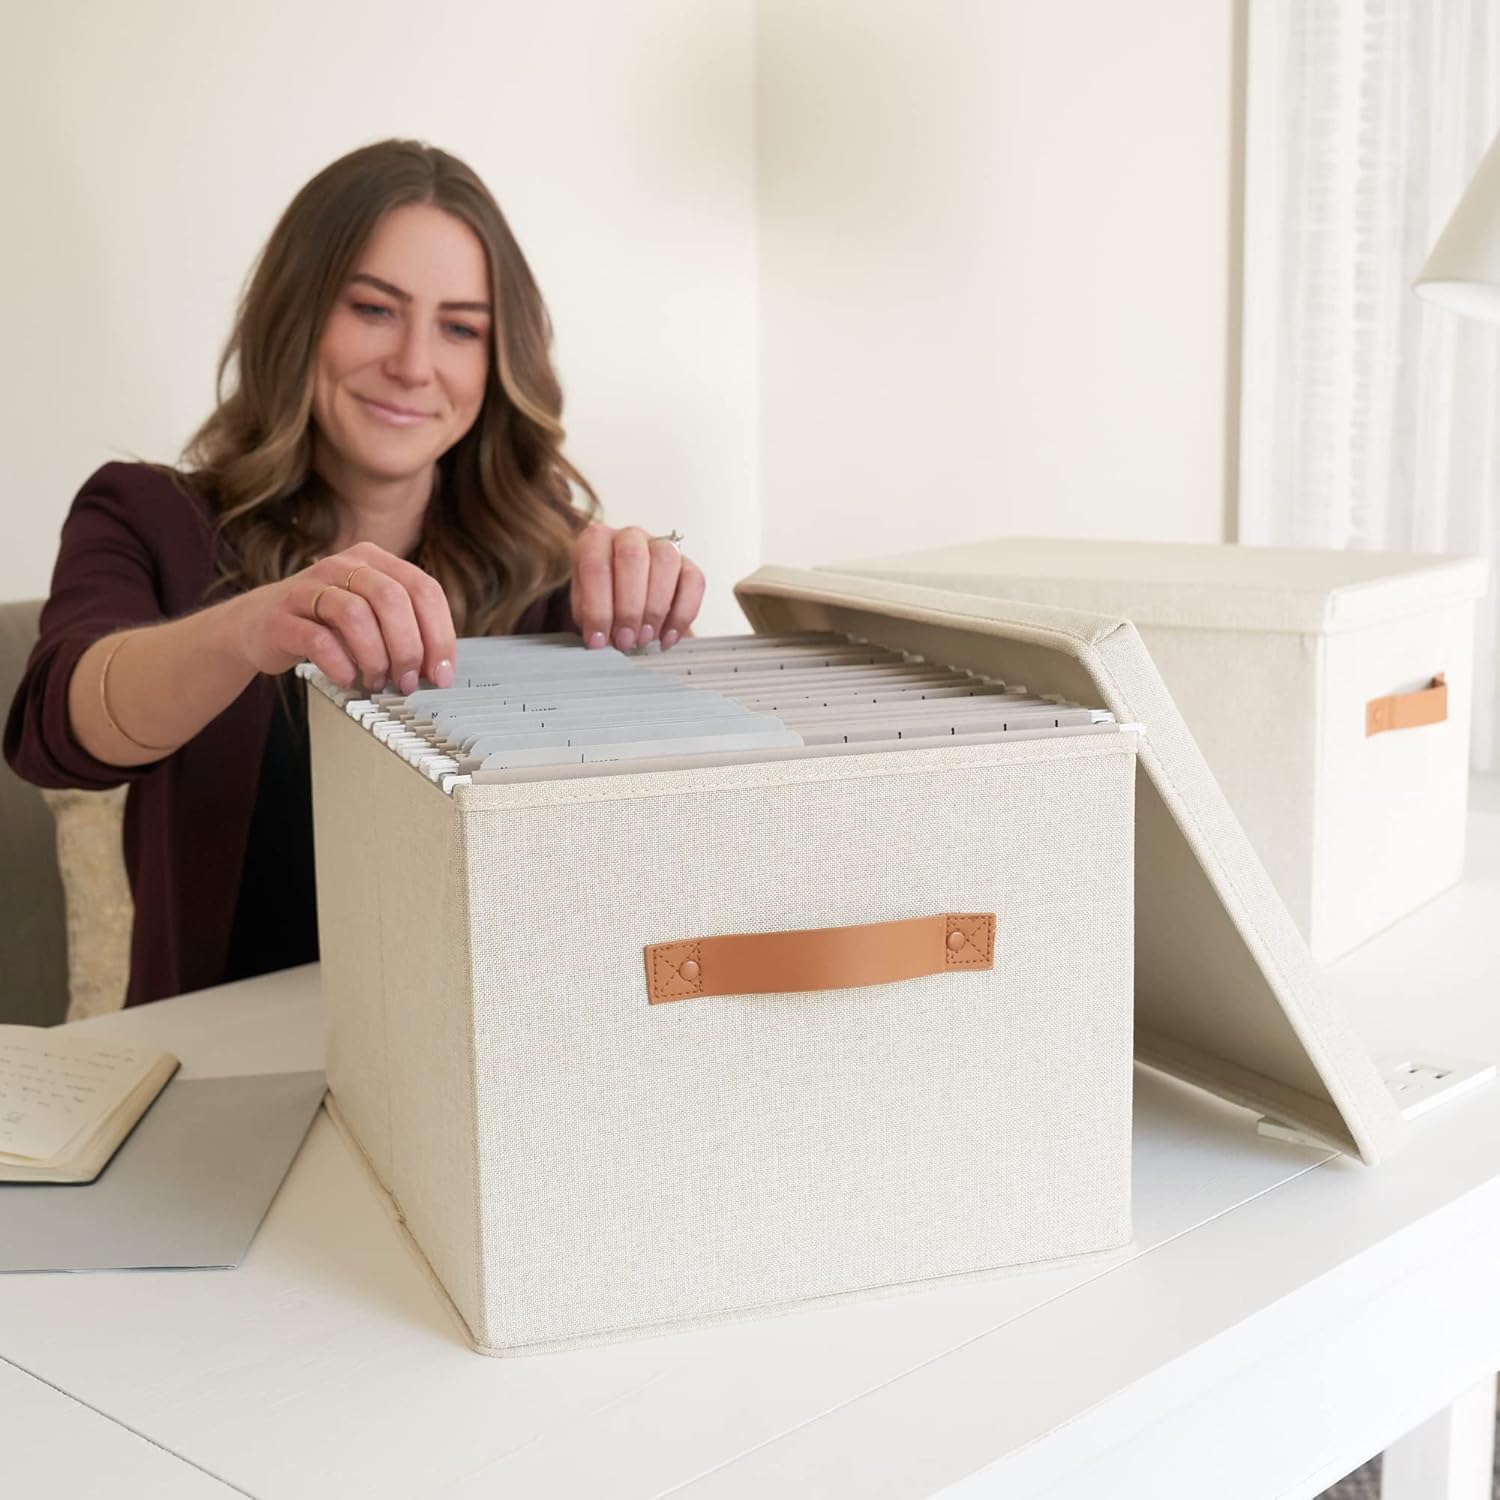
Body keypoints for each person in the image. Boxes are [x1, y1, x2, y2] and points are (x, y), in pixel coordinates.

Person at [5, 139, 704, 1009]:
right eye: (374, 309)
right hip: (220, 1055)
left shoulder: (553, 566)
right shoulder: (146, 515)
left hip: (482, 1052)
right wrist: (250, 627)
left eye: (460, 328)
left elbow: (630, 877)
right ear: (296, 315)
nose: (413, 364)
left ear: (498, 362)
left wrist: (647, 641)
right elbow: (56, 734)